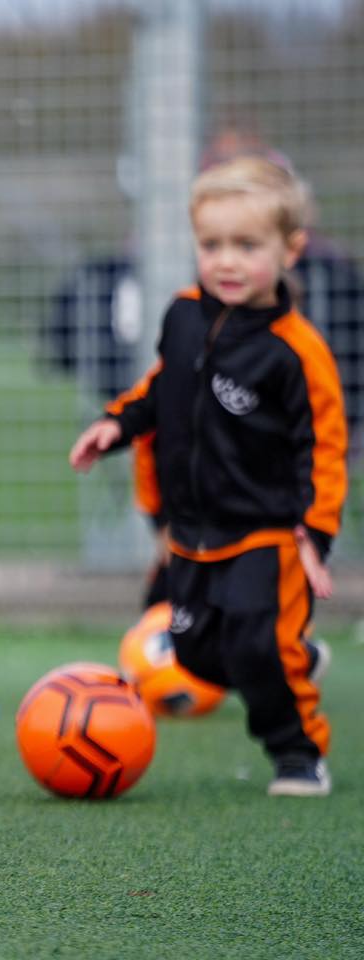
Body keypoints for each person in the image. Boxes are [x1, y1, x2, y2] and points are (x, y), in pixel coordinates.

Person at [70, 155, 346, 798]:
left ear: (290, 249)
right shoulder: (184, 315)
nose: (226, 260)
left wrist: (315, 531)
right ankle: (293, 658)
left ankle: (298, 756)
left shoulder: (296, 351)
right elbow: (163, 386)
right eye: (212, 244)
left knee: (256, 646)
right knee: (192, 655)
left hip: (266, 534)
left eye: (247, 246)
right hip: (189, 531)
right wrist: (118, 424)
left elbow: (324, 449)